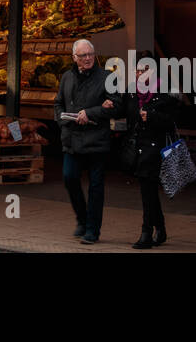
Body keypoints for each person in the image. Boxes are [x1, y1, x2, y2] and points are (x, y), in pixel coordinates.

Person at [54, 37, 119, 243]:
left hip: (96, 141)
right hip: (72, 139)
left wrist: (90, 113)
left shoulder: (107, 77)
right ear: (74, 58)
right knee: (69, 177)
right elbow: (58, 104)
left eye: (91, 54)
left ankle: (92, 230)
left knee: (96, 187)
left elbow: (116, 105)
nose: (88, 58)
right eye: (83, 56)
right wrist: (63, 119)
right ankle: (82, 219)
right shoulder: (66, 77)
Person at [123, 56, 176, 249]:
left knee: (147, 189)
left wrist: (151, 116)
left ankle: (146, 232)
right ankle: (160, 228)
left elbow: (172, 120)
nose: (139, 74)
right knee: (149, 189)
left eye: (144, 69)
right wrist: (103, 107)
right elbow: (122, 111)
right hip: (138, 146)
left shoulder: (165, 91)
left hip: (156, 147)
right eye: (137, 70)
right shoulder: (131, 92)